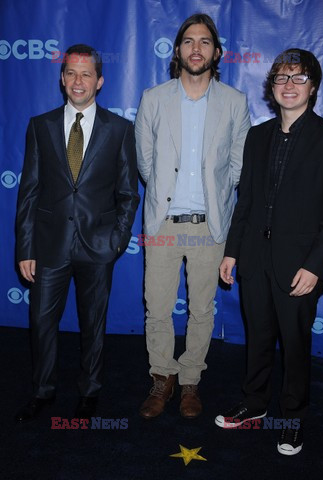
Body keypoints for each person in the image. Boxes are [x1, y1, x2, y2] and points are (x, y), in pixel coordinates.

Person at [215, 48, 323, 455]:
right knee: (258, 338)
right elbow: (246, 203)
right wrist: (232, 253)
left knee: (295, 346)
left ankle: (292, 419)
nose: (289, 86)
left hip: (299, 268)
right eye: (281, 78)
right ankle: (254, 405)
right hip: (255, 261)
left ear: (313, 88)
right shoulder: (257, 137)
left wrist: (314, 266)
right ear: (271, 87)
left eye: (299, 78)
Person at [15, 44, 139, 422]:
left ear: (99, 81)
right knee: (41, 323)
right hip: (49, 245)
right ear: (61, 79)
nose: (78, 81)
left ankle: (89, 393)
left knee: (93, 325)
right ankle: (43, 391)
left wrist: (115, 241)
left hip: (97, 246)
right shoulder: (41, 125)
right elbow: (30, 192)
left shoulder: (120, 129)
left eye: (86, 74)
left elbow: (128, 193)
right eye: (71, 73)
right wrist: (25, 248)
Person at [135, 13, 250, 419]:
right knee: (158, 308)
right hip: (163, 223)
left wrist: (215, 198)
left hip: (211, 225)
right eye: (188, 41)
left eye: (204, 41)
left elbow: (237, 167)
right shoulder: (154, 98)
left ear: (216, 52)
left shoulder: (235, 102)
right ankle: (161, 377)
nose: (196, 48)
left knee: (203, 310)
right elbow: (145, 163)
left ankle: (190, 382)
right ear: (178, 50)